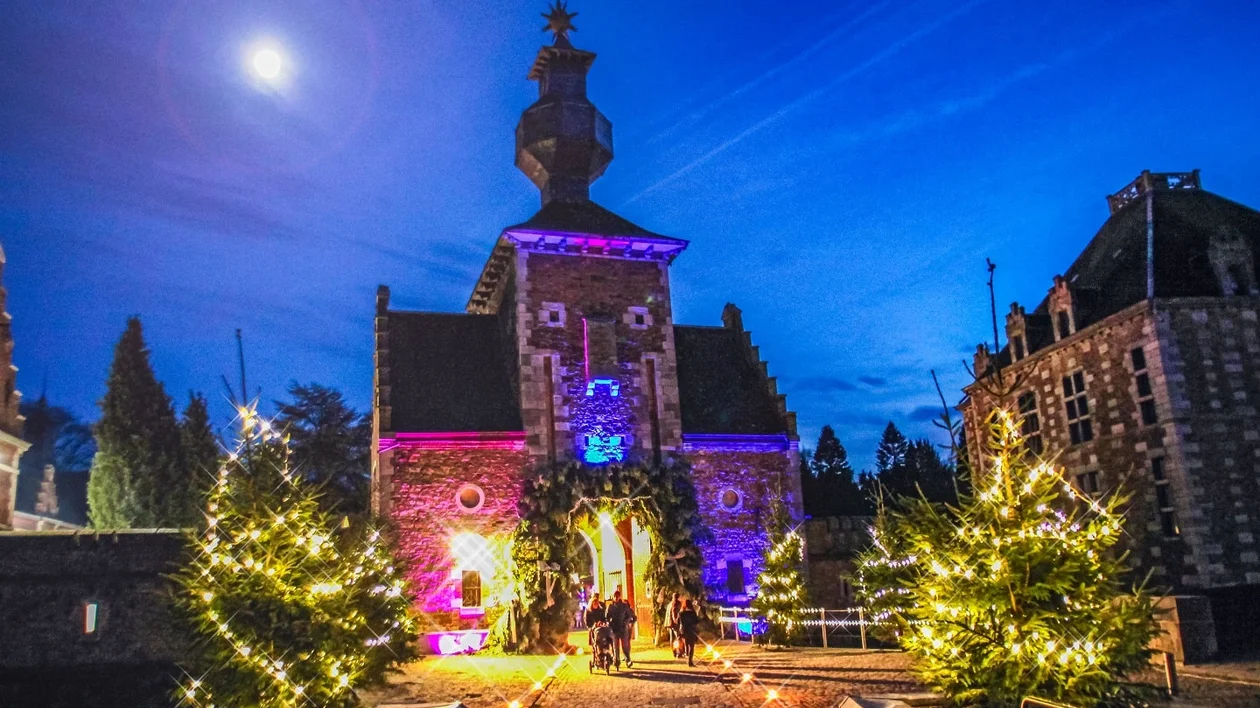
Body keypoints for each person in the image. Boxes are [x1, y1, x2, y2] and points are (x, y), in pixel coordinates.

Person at [606, 590, 637, 668]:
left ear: (620, 596)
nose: (616, 598)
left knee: (625, 646)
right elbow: (607, 617)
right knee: (615, 647)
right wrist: (609, 623)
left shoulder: (624, 606)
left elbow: (629, 615)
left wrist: (626, 622)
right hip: (614, 628)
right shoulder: (610, 606)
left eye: (617, 596)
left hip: (623, 628)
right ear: (613, 597)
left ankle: (628, 660)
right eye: (615, 596)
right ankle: (616, 661)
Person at [678, 599, 700, 666]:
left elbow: (678, 622)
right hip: (691, 630)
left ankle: (685, 653)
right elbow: (696, 621)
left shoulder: (681, 613)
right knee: (691, 646)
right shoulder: (693, 613)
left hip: (684, 630)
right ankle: (690, 661)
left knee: (685, 643)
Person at [667, 592, 684, 658]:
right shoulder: (677, 603)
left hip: (670, 624)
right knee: (678, 638)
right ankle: (679, 653)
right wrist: (676, 621)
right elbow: (675, 613)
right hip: (675, 624)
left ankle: (674, 652)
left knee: (672, 638)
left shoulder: (669, 604)